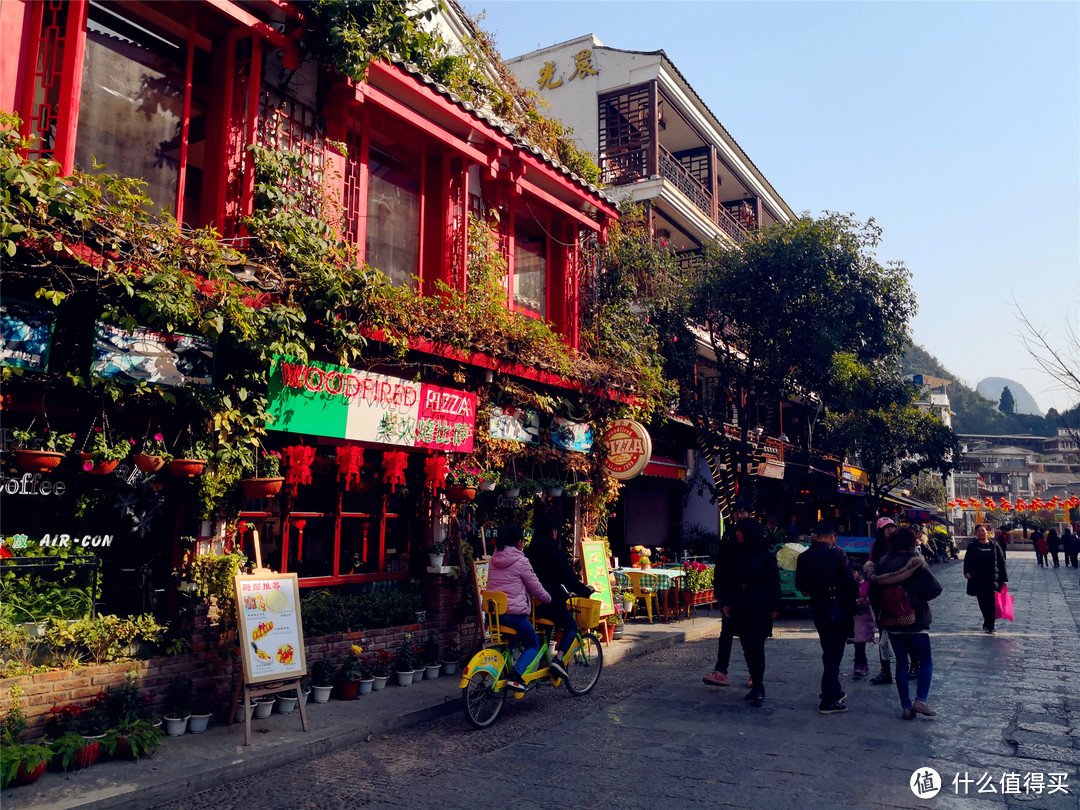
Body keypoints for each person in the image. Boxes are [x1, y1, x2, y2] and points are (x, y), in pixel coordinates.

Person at [868, 527, 943, 720]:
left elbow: (874, 592)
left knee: (901, 664)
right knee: (925, 661)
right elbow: (934, 589)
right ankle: (921, 700)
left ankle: (906, 707)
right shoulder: (915, 563)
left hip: (891, 621)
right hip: (916, 620)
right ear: (912, 542)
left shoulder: (881, 563)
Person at [715, 517, 781, 707]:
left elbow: (773, 582)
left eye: (740, 531)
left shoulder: (766, 555)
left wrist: (775, 606)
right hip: (740, 604)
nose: (737, 534)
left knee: (756, 646)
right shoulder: (736, 553)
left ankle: (758, 685)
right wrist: (725, 600)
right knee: (746, 645)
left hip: (760, 605)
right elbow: (728, 579)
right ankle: (756, 685)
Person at [795, 521, 858, 714]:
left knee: (828, 649)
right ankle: (827, 699)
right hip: (837, 608)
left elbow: (800, 586)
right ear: (832, 536)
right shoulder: (837, 553)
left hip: (818, 608)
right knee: (834, 653)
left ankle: (835, 690)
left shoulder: (804, 556)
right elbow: (849, 583)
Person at [525, 512, 595, 681]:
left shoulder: (529, 552)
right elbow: (570, 580)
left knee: (545, 630)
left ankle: (543, 663)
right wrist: (586, 591)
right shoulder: (556, 554)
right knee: (571, 626)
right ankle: (558, 659)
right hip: (552, 602)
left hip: (533, 604)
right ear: (553, 532)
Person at [486, 525, 551, 691]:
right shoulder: (521, 561)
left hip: (494, 614)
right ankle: (516, 675)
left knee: (512, 641)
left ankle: (505, 669)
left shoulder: (494, 559)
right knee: (533, 643)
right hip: (513, 615)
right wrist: (548, 599)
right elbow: (535, 587)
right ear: (519, 542)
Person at [704, 500, 752, 688]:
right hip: (731, 594)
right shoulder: (730, 535)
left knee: (749, 637)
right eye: (736, 512)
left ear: (750, 514)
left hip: (750, 595)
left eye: (742, 512)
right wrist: (721, 594)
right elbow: (721, 566)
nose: (738, 516)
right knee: (726, 634)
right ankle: (721, 672)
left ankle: (754, 674)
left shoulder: (757, 536)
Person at [963, 524, 1008, 634]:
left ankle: (991, 626)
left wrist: (1004, 579)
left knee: (992, 602)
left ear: (987, 532)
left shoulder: (994, 545)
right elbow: (967, 560)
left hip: (993, 579)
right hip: (978, 579)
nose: (981, 533)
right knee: (982, 603)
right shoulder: (973, 546)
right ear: (976, 533)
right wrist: (967, 572)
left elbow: (1002, 562)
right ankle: (986, 621)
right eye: (978, 531)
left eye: (983, 531)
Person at [867, 517, 897, 685]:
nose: (890, 530)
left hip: (899, 596)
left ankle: (912, 665)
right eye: (886, 527)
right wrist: (864, 593)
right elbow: (870, 567)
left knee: (903, 633)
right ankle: (885, 670)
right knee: (884, 633)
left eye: (892, 527)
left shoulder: (901, 546)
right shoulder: (876, 547)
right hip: (879, 596)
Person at [849, 565, 875, 678]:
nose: (853, 574)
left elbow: (870, 599)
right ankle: (862, 664)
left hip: (863, 619)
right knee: (858, 644)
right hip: (854, 619)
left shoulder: (864, 585)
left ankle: (859, 665)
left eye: (854, 571)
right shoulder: (848, 585)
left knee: (860, 644)